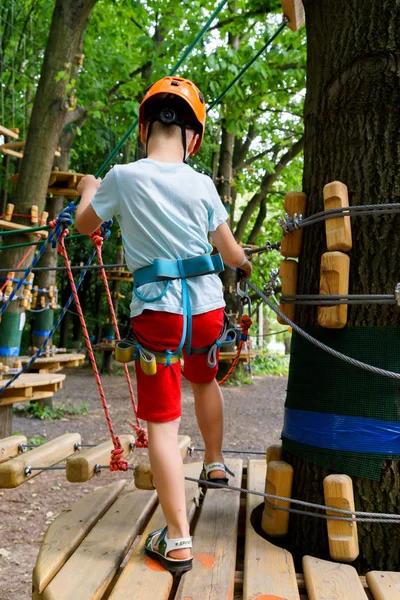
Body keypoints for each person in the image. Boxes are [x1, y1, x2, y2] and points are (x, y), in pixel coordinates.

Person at [75, 76, 252, 574]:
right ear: (193, 139)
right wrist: (245, 266)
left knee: (163, 424)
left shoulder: (124, 177)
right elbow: (230, 250)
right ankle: (215, 462)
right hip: (207, 313)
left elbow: (86, 225)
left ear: (143, 127)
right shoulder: (203, 184)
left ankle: (176, 540)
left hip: (160, 317)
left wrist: (90, 187)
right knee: (204, 378)